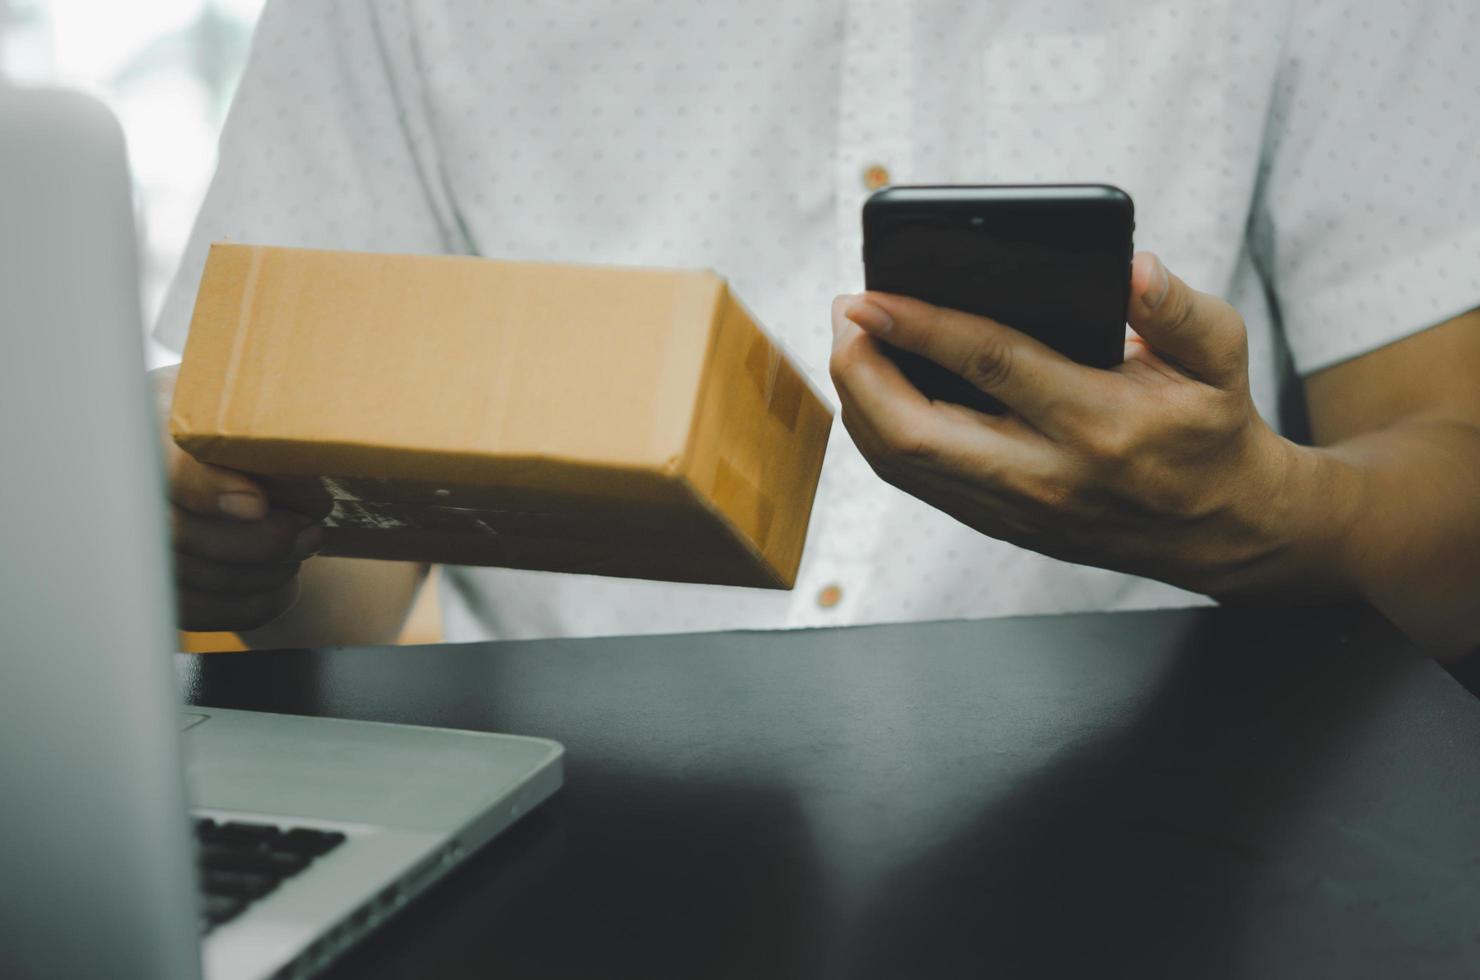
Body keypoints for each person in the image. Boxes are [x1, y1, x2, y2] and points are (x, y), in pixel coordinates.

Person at [155, 0, 1480, 657]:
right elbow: (326, 578)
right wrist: (219, 553)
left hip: (1159, 825)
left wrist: (1273, 517)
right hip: (558, 823)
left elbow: (1457, 478)